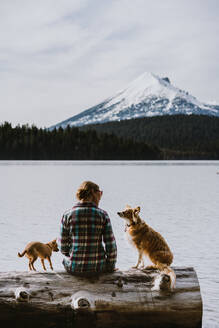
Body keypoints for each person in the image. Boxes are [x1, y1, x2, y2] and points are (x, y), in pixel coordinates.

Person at [58, 181, 117, 276]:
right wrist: (110, 266)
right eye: (100, 192)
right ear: (93, 192)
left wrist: (74, 255)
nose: (101, 196)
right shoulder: (103, 215)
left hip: (74, 269)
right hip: (98, 268)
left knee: (64, 261)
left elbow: (63, 247)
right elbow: (111, 245)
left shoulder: (67, 215)